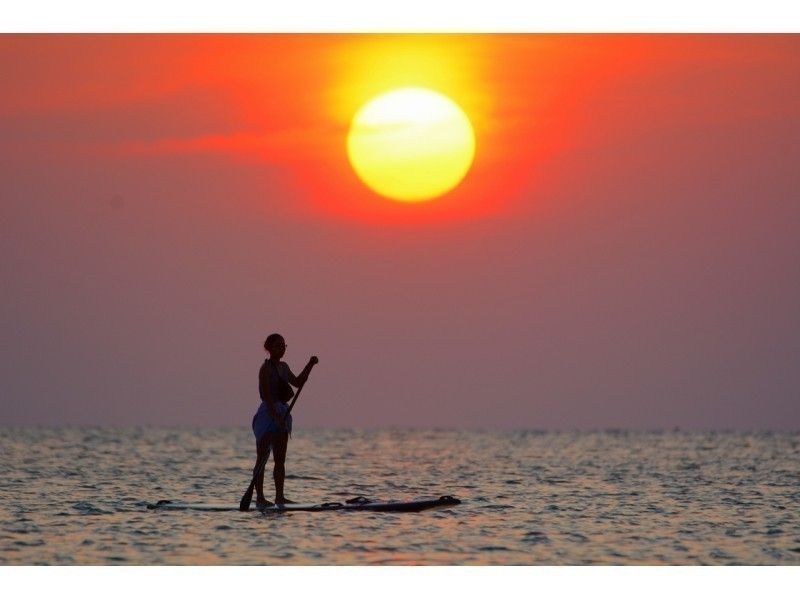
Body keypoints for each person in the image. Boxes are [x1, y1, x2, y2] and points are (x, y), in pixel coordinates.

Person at [251, 333, 318, 508]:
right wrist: (274, 416)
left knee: (280, 459)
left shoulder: (284, 367)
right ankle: (259, 498)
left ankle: (279, 497)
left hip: (283, 412)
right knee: (262, 458)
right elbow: (265, 394)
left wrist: (310, 365)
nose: (281, 349)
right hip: (267, 414)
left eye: (284, 346)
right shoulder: (265, 369)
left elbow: (298, 382)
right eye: (278, 346)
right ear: (269, 348)